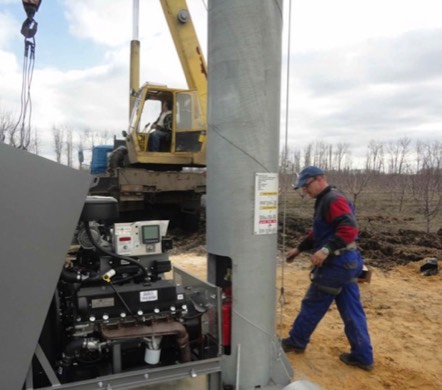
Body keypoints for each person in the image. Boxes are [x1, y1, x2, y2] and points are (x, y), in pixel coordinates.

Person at [281, 166, 374, 371]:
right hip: (348, 262)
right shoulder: (326, 200)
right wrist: (299, 248)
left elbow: (349, 229)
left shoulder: (332, 200)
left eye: (305, 186)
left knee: (313, 303)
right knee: (351, 308)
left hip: (337, 264)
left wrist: (325, 250)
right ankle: (363, 356)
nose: (305, 191)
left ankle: (296, 341)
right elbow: (319, 232)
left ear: (319, 180)